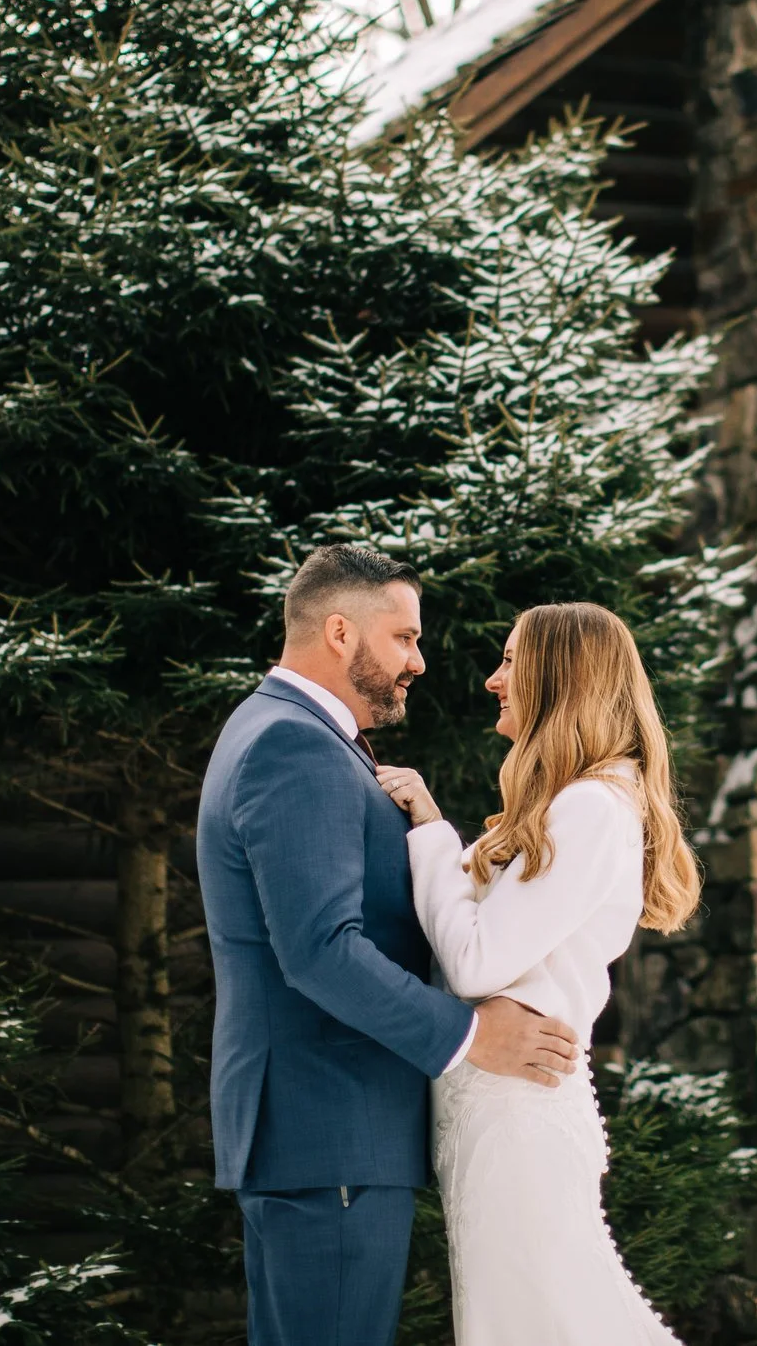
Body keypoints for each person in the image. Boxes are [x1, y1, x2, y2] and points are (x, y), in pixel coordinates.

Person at [195, 544, 581, 1346]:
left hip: (319, 1131)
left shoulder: (285, 729)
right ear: (341, 631)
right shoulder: (292, 743)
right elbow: (319, 951)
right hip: (328, 1125)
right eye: (403, 638)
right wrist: (475, 1035)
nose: (419, 661)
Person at [373, 601, 702, 1346]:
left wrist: (430, 832)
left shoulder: (590, 805)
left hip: (518, 1118)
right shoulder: (578, 800)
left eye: (513, 660)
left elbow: (476, 959)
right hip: (501, 1113)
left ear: (562, 675)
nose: (494, 679)